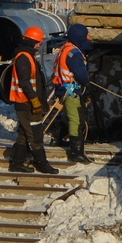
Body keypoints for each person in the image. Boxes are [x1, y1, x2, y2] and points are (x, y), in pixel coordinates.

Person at [8, 26, 58, 175]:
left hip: (27, 103)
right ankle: (42, 163)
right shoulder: (24, 57)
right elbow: (25, 82)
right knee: (35, 134)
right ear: (30, 42)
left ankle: (17, 163)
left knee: (24, 134)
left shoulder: (27, 56)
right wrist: (35, 101)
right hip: (26, 104)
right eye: (37, 42)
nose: (38, 45)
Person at [52, 23, 93, 164]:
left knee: (68, 117)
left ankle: (57, 138)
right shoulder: (75, 55)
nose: (89, 37)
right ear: (80, 36)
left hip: (64, 89)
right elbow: (81, 75)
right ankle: (77, 152)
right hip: (72, 91)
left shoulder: (66, 48)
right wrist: (87, 83)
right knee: (76, 120)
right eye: (86, 34)